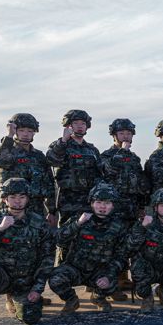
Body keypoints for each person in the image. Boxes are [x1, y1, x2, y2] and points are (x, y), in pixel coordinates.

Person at [0, 178, 54, 325]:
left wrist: (37, 289)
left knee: (31, 318)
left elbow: (47, 257)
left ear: (28, 198)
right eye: (13, 197)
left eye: (22, 197)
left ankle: (16, 300)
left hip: (25, 281)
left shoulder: (38, 222)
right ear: (5, 199)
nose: (18, 202)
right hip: (2, 277)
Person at [48, 182, 129, 313]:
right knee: (56, 279)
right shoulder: (79, 219)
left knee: (112, 283)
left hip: (99, 271)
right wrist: (78, 224)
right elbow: (58, 240)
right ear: (91, 203)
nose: (102, 207)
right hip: (76, 269)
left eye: (107, 203)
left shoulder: (119, 226)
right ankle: (71, 300)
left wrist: (108, 275)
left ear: (113, 205)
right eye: (98, 202)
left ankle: (98, 297)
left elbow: (121, 256)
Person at [100, 118, 149, 301]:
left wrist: (142, 206)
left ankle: (123, 279)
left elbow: (140, 183)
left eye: (128, 133)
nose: (126, 136)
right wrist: (122, 151)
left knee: (127, 245)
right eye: (122, 133)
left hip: (130, 208)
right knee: (111, 247)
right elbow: (108, 171)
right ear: (114, 135)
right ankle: (110, 286)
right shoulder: (107, 155)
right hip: (113, 210)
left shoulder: (134, 158)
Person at [46, 109, 102, 263]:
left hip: (89, 200)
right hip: (68, 200)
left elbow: (100, 173)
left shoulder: (91, 149)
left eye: (82, 123)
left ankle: (87, 276)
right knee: (66, 236)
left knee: (89, 236)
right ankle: (63, 271)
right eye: (75, 123)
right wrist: (63, 141)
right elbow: (52, 160)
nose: (79, 126)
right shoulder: (60, 145)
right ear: (68, 126)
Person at [0, 113, 55, 223]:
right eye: (21, 130)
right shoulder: (7, 151)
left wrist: (51, 211)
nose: (26, 134)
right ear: (15, 131)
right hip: (11, 209)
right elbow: (0, 161)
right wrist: (9, 135)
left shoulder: (39, 156)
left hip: (35, 209)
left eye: (30, 131)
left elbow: (48, 184)